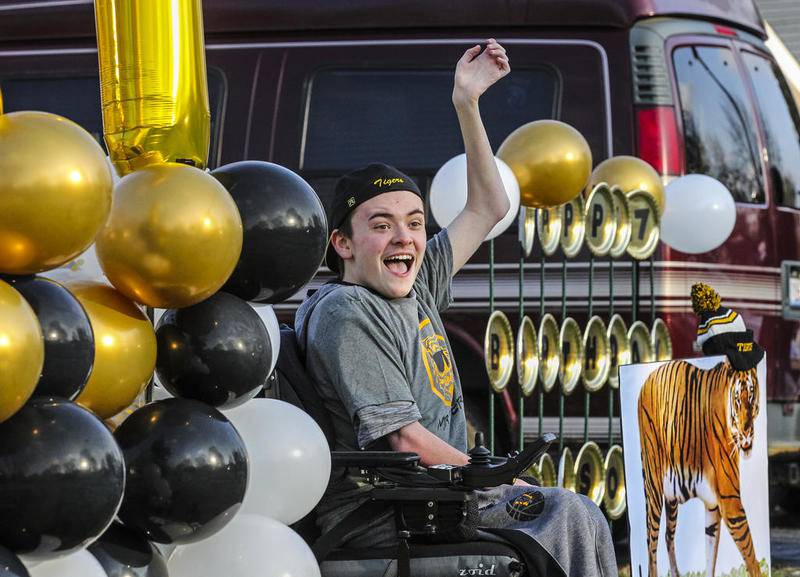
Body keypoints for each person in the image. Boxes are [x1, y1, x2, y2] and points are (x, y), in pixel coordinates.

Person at [296, 40, 617, 577]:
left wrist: (467, 103)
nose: (405, 236)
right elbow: (401, 437)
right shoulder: (347, 312)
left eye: (415, 222)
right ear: (343, 244)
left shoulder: (414, 282)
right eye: (381, 225)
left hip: (440, 494)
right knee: (565, 514)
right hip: (390, 510)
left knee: (577, 512)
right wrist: (491, 479)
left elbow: (490, 205)